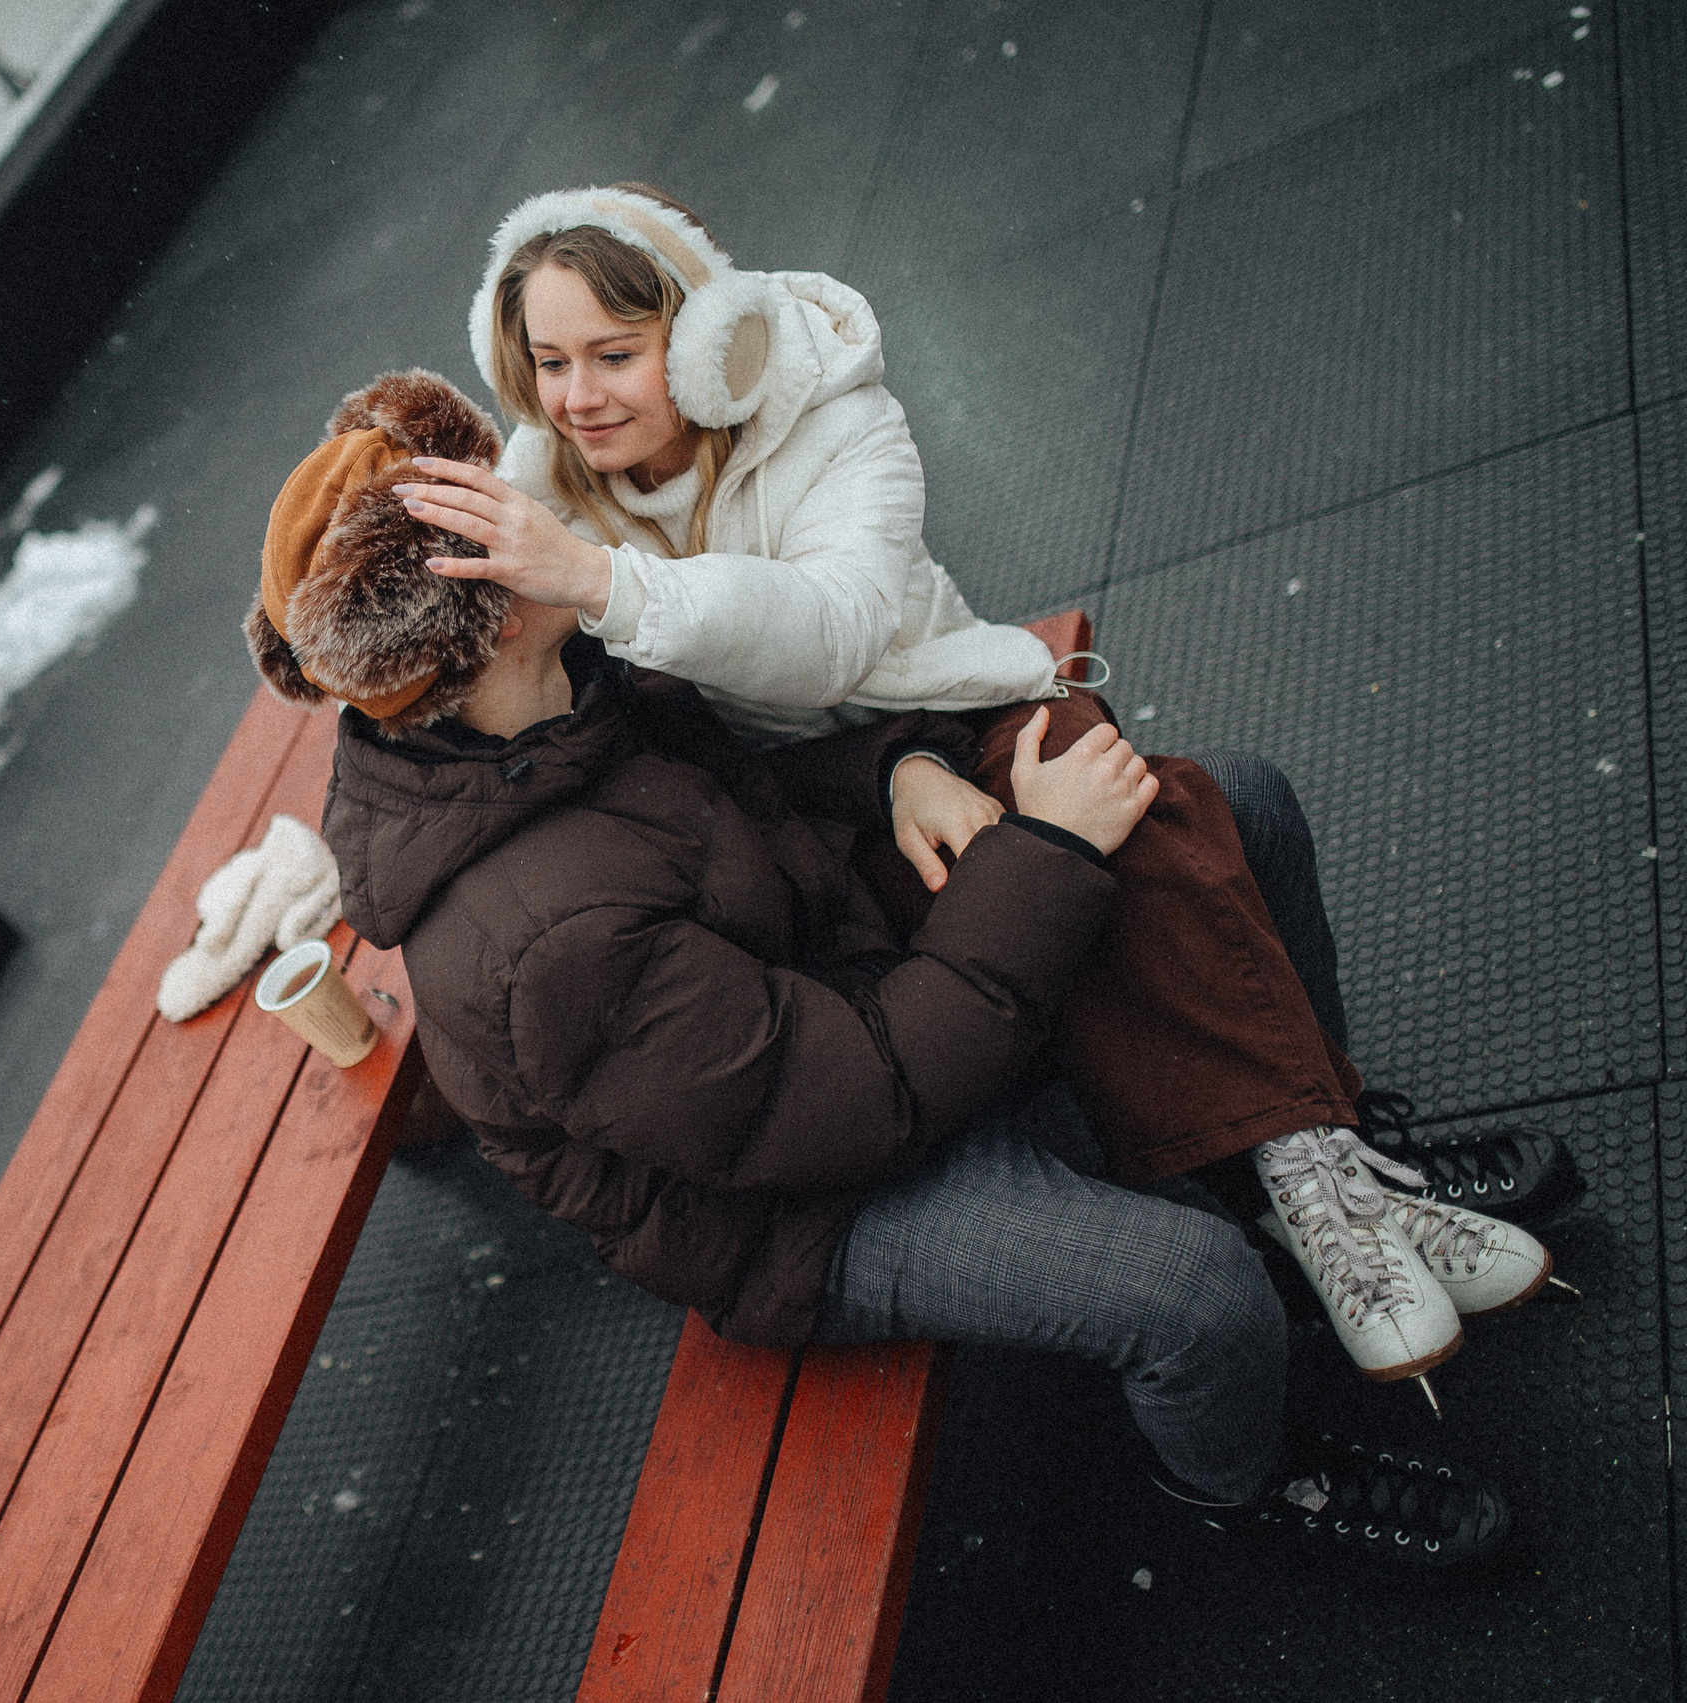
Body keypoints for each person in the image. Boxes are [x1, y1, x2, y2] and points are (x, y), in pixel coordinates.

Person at [248, 367, 1516, 1569]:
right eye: (502, 518)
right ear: (484, 618)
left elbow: (759, 776)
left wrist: (897, 767)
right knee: (1193, 1292)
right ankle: (1249, 1480)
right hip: (800, 1200)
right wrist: (1047, 853)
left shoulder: (565, 682)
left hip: (834, 972)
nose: (543, 509)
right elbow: (862, 1101)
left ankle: (1317, 1163)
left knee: (1236, 806)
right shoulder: (542, 942)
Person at [385, 184, 1576, 1403]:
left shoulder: (829, 419)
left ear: (702, 337)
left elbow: (834, 633)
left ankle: (1320, 1169)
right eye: (548, 363)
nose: (578, 396)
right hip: (818, 808)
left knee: (1141, 793)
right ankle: (1322, 1177)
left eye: (614, 354)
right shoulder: (551, 510)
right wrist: (889, 778)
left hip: (942, 709)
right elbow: (698, 765)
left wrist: (890, 742)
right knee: (1138, 833)